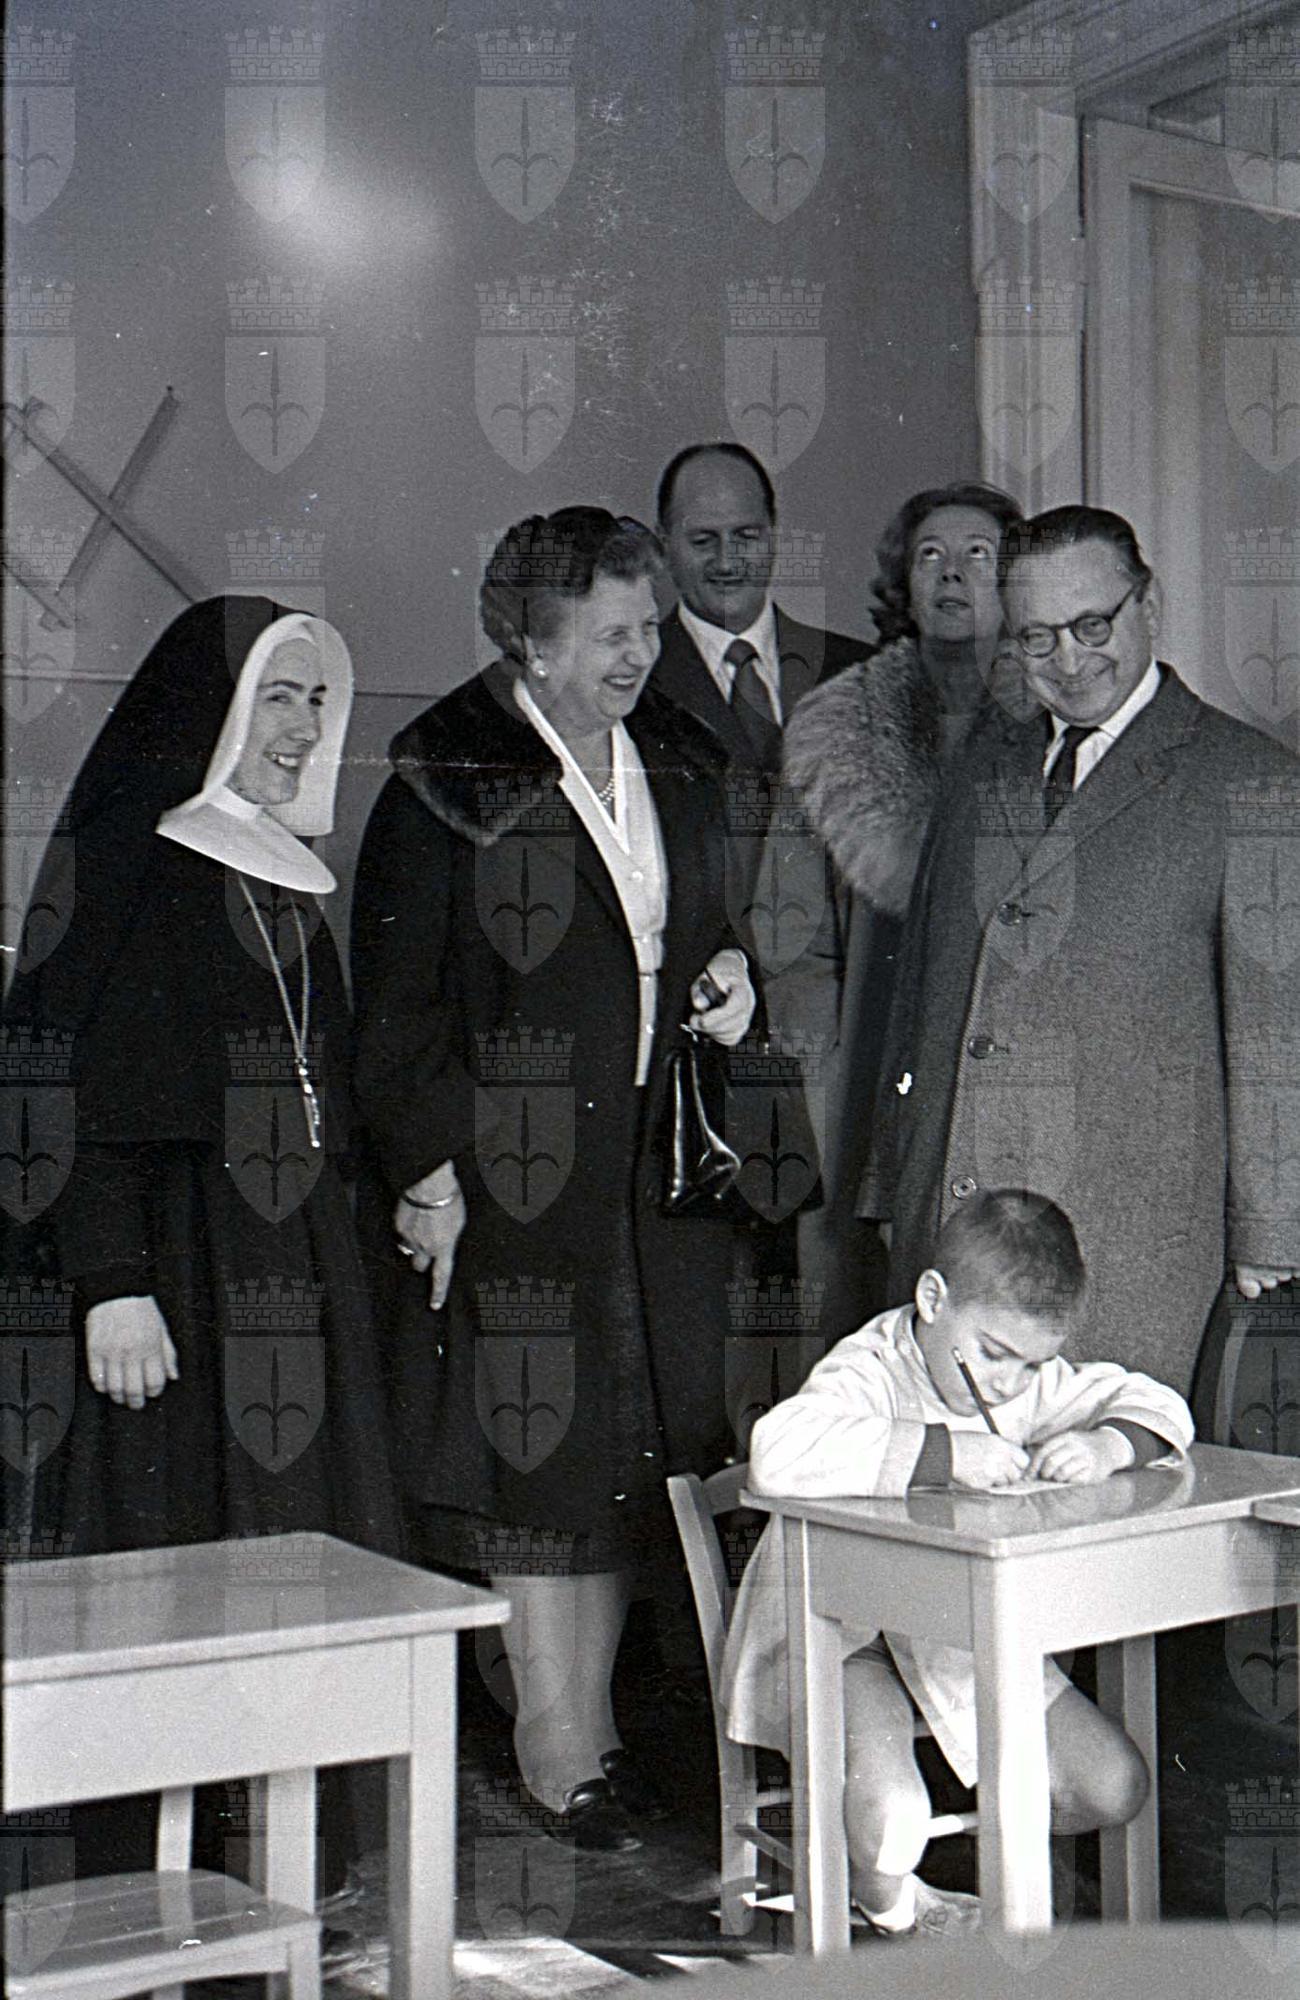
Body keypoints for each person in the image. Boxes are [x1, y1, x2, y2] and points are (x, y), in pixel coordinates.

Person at [350, 508, 758, 1852]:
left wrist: (731, 976)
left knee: (633, 1449)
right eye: (606, 635)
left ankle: (598, 1726)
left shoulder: (676, 759)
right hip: (515, 1172)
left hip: (653, 1166)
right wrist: (431, 1173)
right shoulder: (448, 777)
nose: (637, 657)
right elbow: (396, 1012)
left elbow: (709, 928)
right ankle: (554, 1739)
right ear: (530, 641)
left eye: (648, 628)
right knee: (539, 1462)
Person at [2, 595, 401, 1887]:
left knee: (287, 1547)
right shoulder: (139, 868)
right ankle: (144, 1878)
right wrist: (112, 1283)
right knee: (169, 1568)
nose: (303, 727)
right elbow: (62, 1091)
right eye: (278, 695)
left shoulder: (289, 887)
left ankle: (281, 1859)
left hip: (289, 1275)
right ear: (214, 714)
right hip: (172, 1281)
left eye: (316, 700)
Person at [860, 506, 1300, 1398]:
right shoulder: (982, 761)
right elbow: (923, 986)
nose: (1069, 659)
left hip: (1125, 1238)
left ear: (1149, 605)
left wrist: (1272, 1228)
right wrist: (890, 1178)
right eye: (1037, 637)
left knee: (1101, 1463)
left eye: (1092, 625)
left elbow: (1275, 1025)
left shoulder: (1250, 780)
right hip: (953, 1220)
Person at [722, 1189, 1192, 1937]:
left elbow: (1155, 1402)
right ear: (933, 1300)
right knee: (893, 1827)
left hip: (949, 1636)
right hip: (837, 1637)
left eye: (1033, 1364)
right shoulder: (872, 1365)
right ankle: (894, 1906)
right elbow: (777, 1451)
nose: (1009, 1383)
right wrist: (947, 1453)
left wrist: (1110, 1444)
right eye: (996, 1355)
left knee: (1115, 1787)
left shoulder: (1026, 1382)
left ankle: (974, 1855)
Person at [766, 483, 1025, 1341]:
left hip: (1013, 1047)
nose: (953, 575)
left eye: (979, 555)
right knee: (860, 1293)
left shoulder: (1052, 724)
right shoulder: (835, 729)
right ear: (902, 585)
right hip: (865, 1054)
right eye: (930, 557)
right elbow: (787, 928)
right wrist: (822, 1071)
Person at [652, 442, 864, 773]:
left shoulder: (858, 672)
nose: (726, 562)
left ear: (773, 534)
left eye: (746, 536)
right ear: (664, 544)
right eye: (703, 541)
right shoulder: (637, 679)